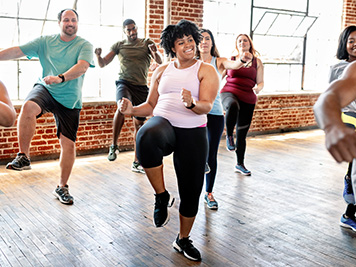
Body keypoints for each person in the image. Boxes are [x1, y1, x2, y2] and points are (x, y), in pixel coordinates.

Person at [119, 20, 219, 261]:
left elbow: (206, 105)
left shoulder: (206, 70)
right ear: (172, 47)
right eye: (181, 42)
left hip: (192, 131)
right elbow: (151, 106)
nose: (188, 45)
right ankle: (161, 195)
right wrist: (131, 110)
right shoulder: (162, 70)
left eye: (191, 41)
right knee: (145, 135)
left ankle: (182, 239)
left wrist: (192, 103)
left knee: (191, 191)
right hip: (163, 123)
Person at [0, 9, 94, 205]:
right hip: (46, 89)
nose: (70, 23)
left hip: (69, 99)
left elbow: (82, 67)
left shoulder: (84, 44)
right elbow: (17, 50)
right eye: (66, 20)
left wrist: (60, 78)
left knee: (67, 144)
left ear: (78, 23)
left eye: (74, 20)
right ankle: (23, 156)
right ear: (59, 22)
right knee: (28, 107)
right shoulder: (45, 42)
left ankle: (62, 187)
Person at [95, 19, 162, 174]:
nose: (132, 32)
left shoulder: (146, 43)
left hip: (141, 87)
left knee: (139, 125)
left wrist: (154, 51)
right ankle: (114, 145)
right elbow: (103, 63)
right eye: (129, 30)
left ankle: (137, 162)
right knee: (122, 105)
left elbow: (158, 61)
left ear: (136, 28)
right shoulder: (119, 45)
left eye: (134, 29)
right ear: (124, 31)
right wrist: (98, 56)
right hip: (124, 83)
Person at [197, 29, 250, 209]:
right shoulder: (191, 62)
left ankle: (209, 193)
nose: (204, 42)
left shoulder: (217, 62)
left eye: (207, 39)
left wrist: (242, 60)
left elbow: (232, 65)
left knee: (211, 154)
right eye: (201, 39)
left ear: (212, 43)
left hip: (215, 113)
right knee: (197, 151)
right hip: (195, 113)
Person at [320, 25, 356, 231]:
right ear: (344, 44)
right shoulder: (337, 68)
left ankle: (349, 213)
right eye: (351, 40)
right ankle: (349, 185)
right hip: (346, 116)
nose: (354, 44)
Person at [220, 34, 264, 175]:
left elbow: (260, 81)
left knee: (242, 133)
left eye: (245, 40)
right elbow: (218, 76)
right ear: (236, 45)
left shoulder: (257, 62)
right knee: (232, 105)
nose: (242, 42)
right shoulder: (230, 60)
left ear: (250, 44)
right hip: (229, 92)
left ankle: (240, 164)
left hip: (248, 97)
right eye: (239, 41)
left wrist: (258, 88)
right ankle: (229, 136)